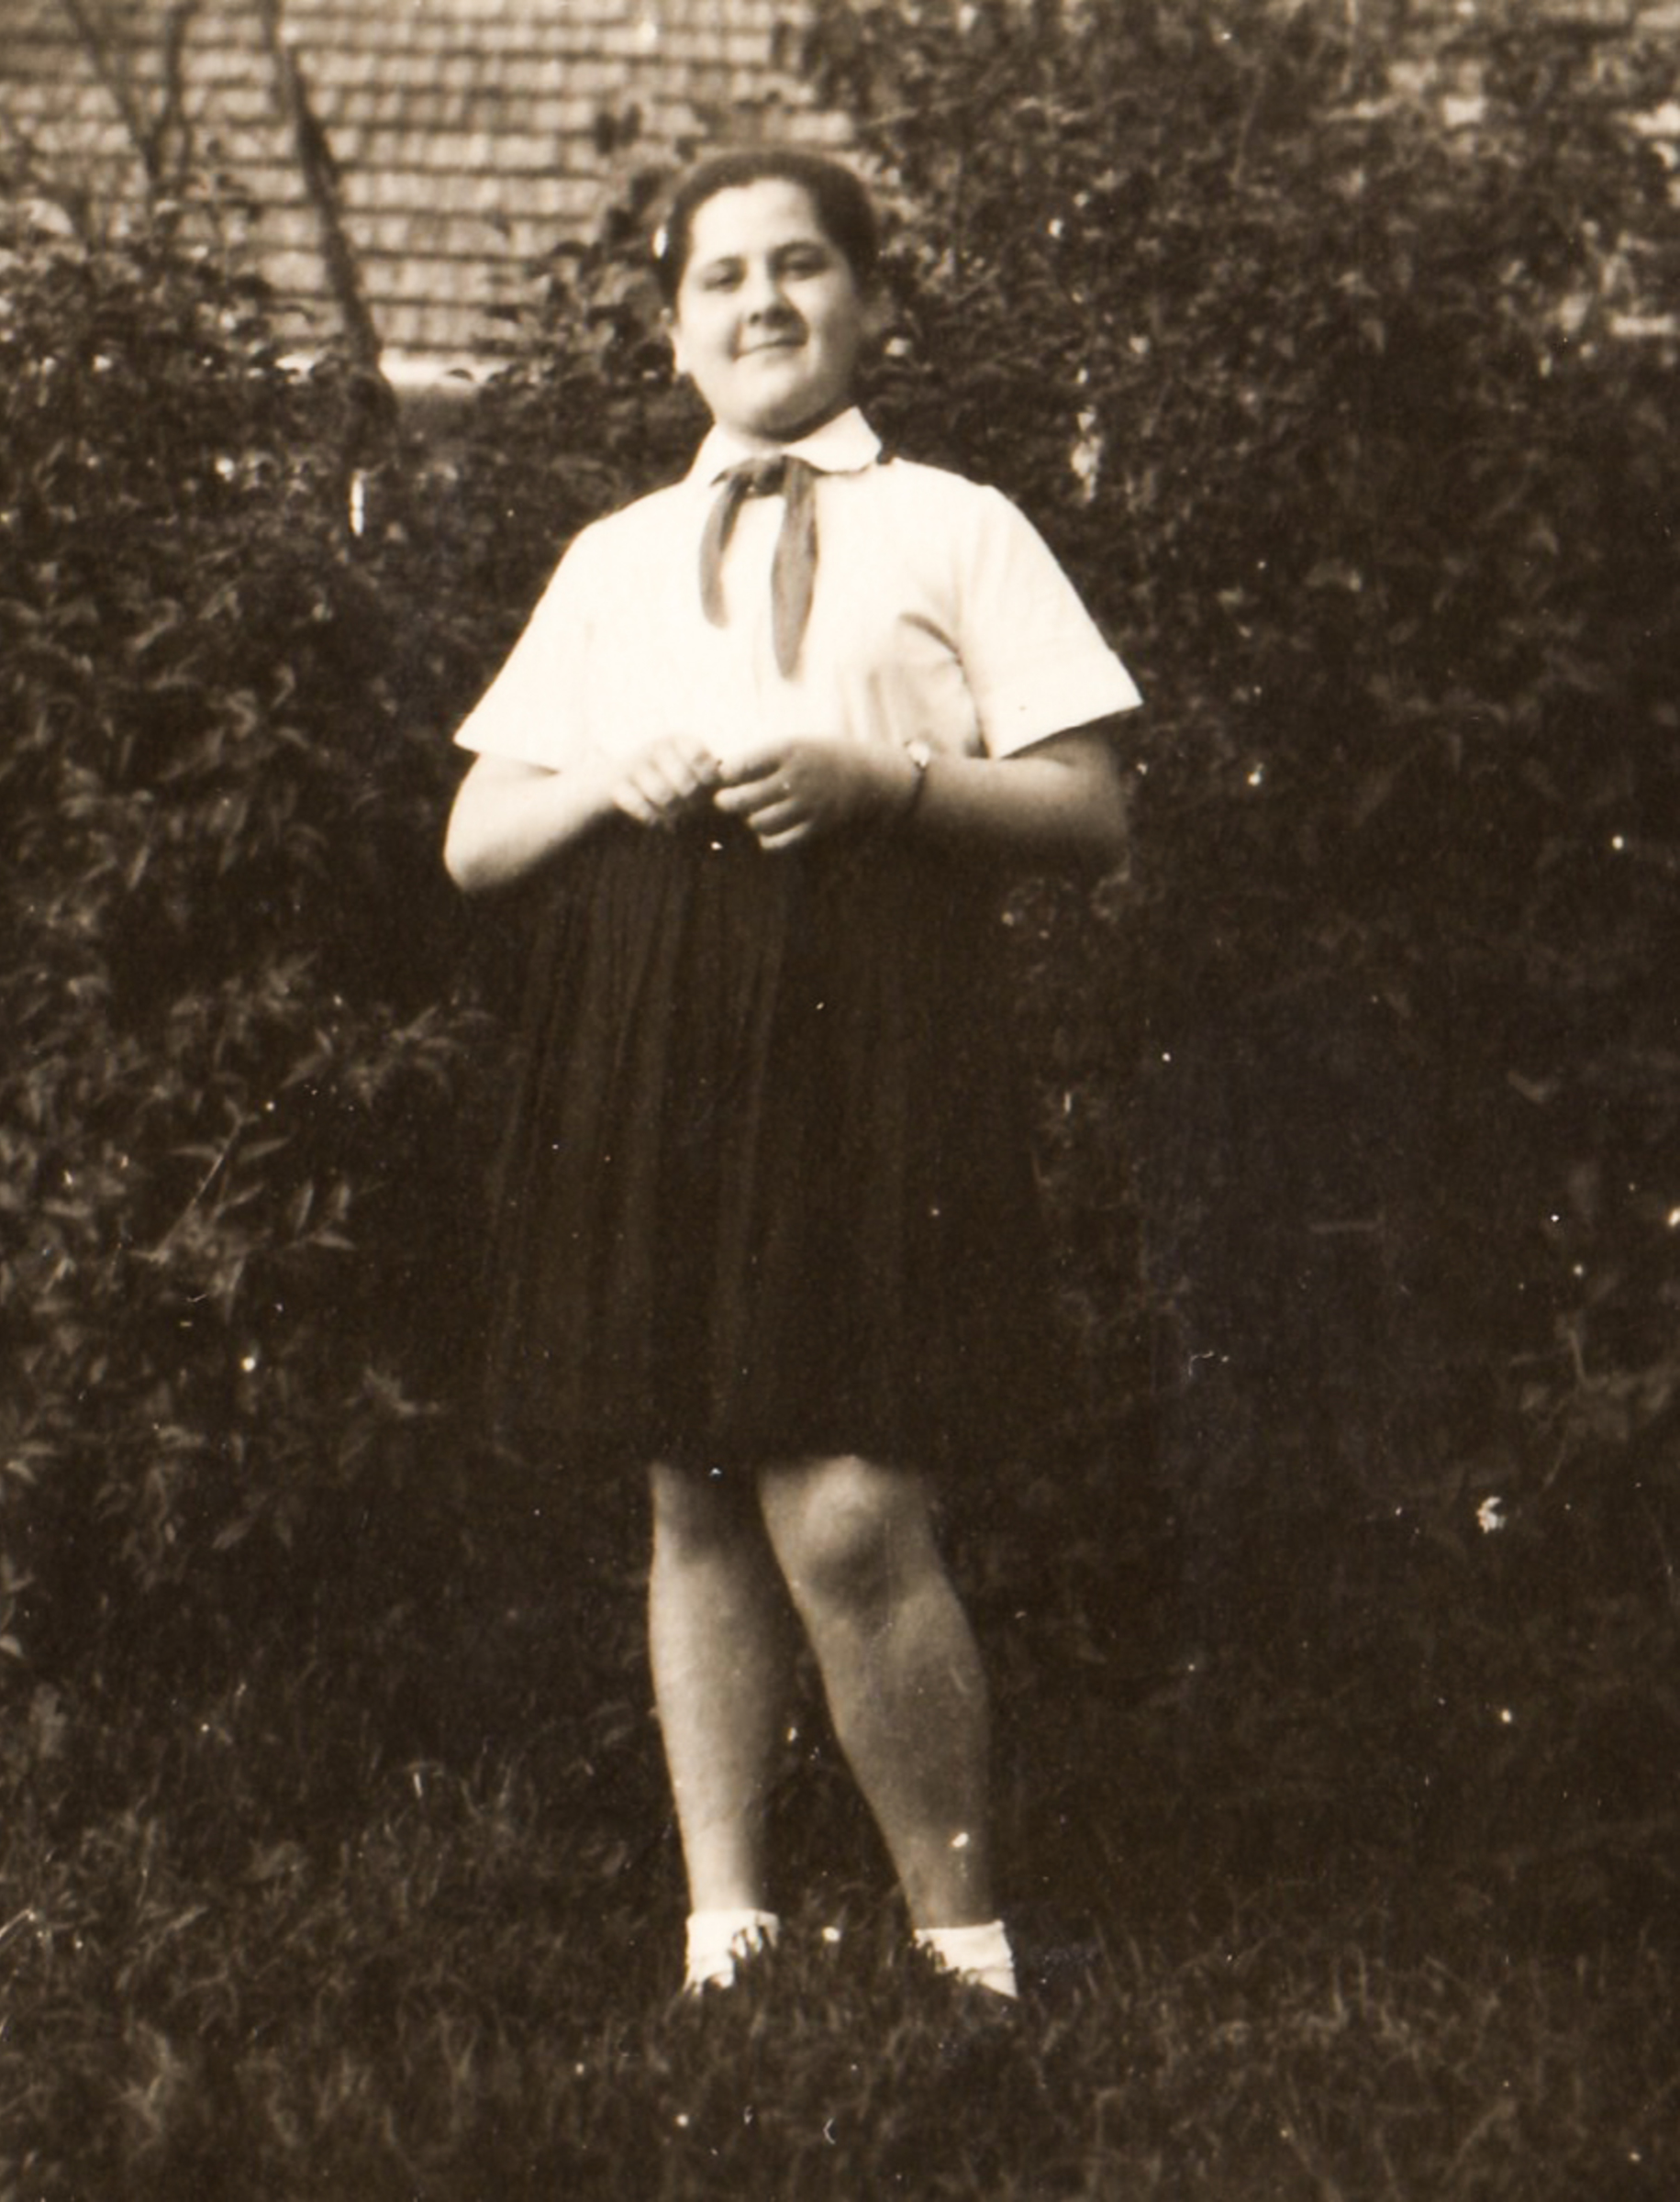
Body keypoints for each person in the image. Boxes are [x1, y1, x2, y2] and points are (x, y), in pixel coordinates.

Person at [443, 147, 1140, 2006]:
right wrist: (610, 781)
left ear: (870, 304)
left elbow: (1087, 809)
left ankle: (965, 1954)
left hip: (874, 1018)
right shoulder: (612, 559)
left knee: (848, 1506)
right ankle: (727, 1935)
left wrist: (880, 784)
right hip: (657, 1019)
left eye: (803, 266)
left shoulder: (958, 526)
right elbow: (477, 839)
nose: (763, 302)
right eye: (721, 278)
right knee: (691, 1488)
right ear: (673, 333)